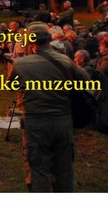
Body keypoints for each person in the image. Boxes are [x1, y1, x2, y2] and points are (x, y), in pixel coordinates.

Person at [8, 21, 89, 192]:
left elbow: (11, 86)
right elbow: (86, 80)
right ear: (49, 39)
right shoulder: (65, 60)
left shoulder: (20, 64)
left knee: (38, 169)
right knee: (64, 169)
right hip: (63, 121)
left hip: (35, 122)